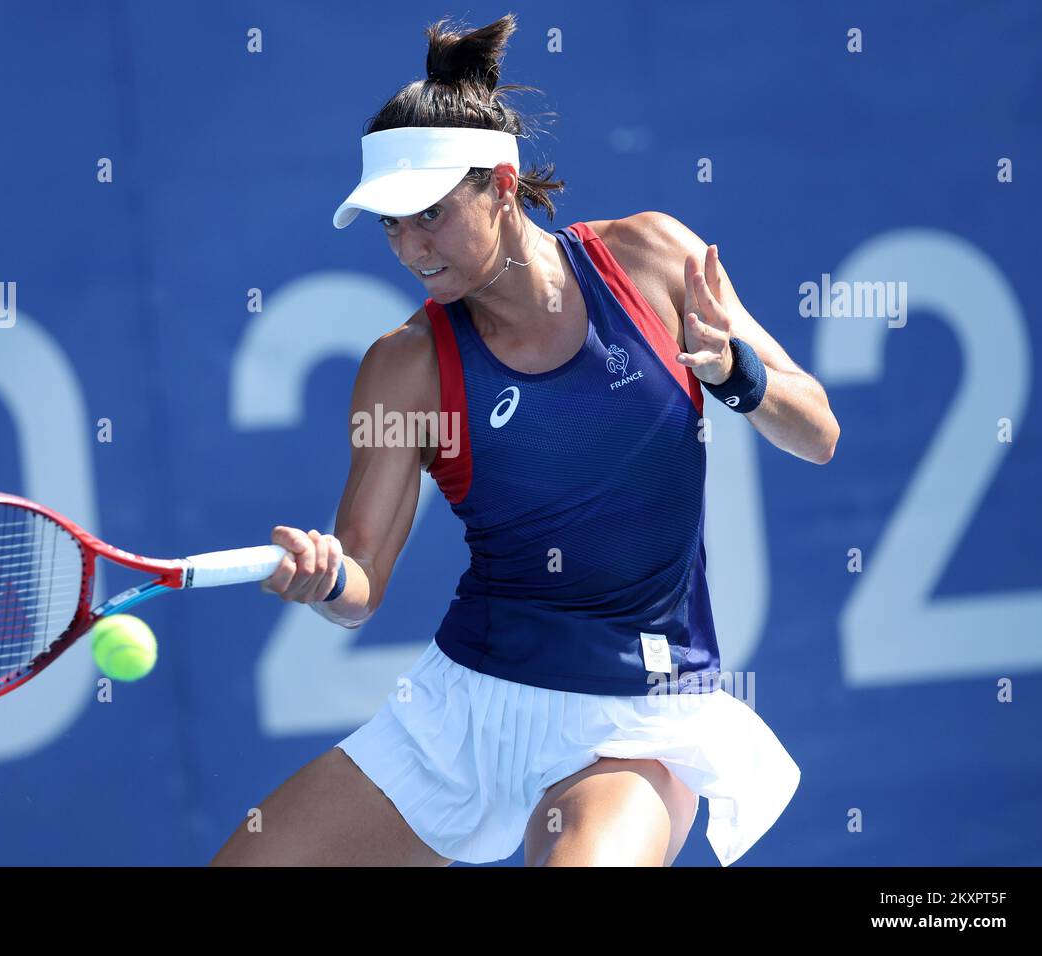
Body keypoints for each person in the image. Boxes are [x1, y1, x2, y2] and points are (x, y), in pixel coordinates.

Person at [211, 13, 838, 867]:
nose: (409, 246)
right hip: (464, 710)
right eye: (389, 224)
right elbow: (362, 585)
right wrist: (325, 577)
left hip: (635, 720)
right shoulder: (405, 369)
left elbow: (819, 431)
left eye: (428, 214)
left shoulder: (653, 261)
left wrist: (737, 375)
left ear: (501, 186)